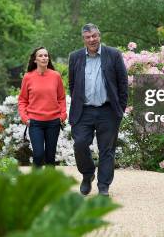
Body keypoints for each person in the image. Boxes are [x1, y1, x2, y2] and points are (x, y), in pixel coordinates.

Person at [68, 23, 128, 196]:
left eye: (94, 36)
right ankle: (87, 175)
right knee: (79, 144)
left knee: (106, 150)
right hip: (83, 111)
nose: (92, 40)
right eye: (88, 37)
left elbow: (123, 84)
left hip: (108, 111)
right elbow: (73, 84)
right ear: (83, 39)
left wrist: (119, 110)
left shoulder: (113, 55)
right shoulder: (75, 57)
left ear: (99, 36)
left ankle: (103, 186)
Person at [18, 46, 67, 167]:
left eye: (46, 55)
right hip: (35, 123)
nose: (44, 58)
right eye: (40, 56)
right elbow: (22, 100)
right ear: (35, 60)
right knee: (38, 155)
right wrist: (25, 118)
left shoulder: (56, 76)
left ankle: (50, 184)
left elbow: (61, 98)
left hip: (53, 122)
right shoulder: (28, 77)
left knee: (50, 157)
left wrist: (62, 115)